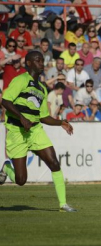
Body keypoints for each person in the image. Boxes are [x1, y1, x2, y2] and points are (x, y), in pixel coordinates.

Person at [0, 51, 76, 212]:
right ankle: (7, 167)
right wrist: (21, 117)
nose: (41, 63)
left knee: (54, 163)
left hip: (35, 131)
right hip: (17, 131)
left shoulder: (42, 89)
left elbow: (43, 117)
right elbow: (5, 101)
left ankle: (63, 204)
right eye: (37, 60)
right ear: (28, 63)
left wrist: (60, 122)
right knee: (21, 180)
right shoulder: (20, 80)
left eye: (42, 60)